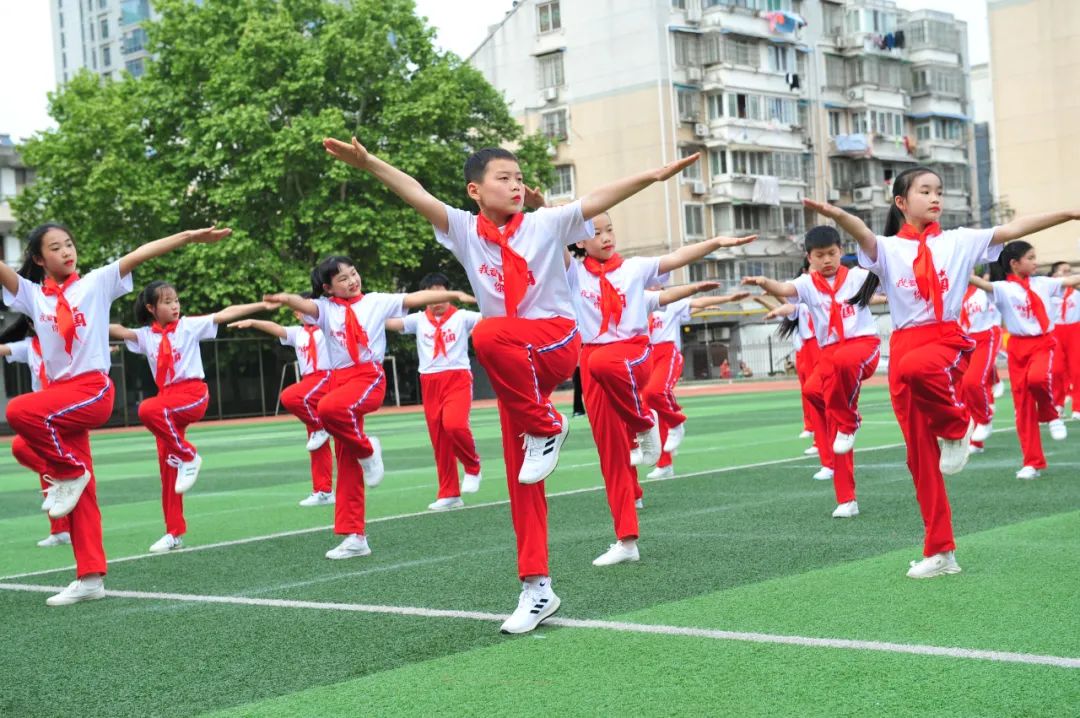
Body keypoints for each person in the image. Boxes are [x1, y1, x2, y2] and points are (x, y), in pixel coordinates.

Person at [322, 134, 699, 633]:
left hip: (555, 340)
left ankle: (549, 425)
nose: (517, 185)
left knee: (489, 328)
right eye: (505, 178)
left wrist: (652, 177)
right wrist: (370, 163)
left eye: (519, 178)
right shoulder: (463, 230)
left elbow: (600, 196)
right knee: (524, 479)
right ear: (475, 190)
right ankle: (536, 588)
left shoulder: (546, 223)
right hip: (514, 370)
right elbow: (415, 193)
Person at [804, 165, 1080, 578]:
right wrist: (837, 214)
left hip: (944, 339)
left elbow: (1014, 226)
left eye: (939, 191)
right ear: (901, 202)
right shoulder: (886, 249)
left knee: (920, 369)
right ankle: (941, 551)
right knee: (919, 460)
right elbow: (859, 230)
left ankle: (956, 426)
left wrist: (1068, 214)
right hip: (904, 346)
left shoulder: (960, 241)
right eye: (925, 191)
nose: (936, 198)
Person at [1, 222, 232, 605]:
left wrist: (190, 237)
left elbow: (144, 251)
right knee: (81, 495)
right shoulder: (32, 297)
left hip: (91, 389)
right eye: (55, 248)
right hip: (60, 400)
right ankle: (90, 577)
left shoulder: (96, 282)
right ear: (39, 259)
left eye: (69, 244)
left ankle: (68, 471)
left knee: (20, 410)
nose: (66, 251)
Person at [566, 210, 753, 566]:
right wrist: (545, 208)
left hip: (633, 353)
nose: (606, 237)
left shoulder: (634, 269)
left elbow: (676, 258)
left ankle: (643, 421)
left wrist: (714, 243)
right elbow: (549, 242)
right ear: (578, 240)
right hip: (593, 364)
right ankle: (626, 540)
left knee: (603, 363)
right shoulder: (573, 275)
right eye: (596, 232)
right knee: (611, 455)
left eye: (610, 230)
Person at [264, 256, 471, 561]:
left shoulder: (376, 301)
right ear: (328, 287)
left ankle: (368, 450)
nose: (352, 280)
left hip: (368, 376)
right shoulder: (326, 310)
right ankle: (355, 536)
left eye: (354, 273)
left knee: (328, 409)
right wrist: (285, 299)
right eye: (343, 278)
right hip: (339, 381)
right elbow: (305, 305)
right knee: (345, 461)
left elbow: (415, 298)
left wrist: (451, 295)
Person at [110, 285, 273, 552]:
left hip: (192, 394)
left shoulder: (188, 326)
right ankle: (173, 532)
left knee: (146, 409)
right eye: (167, 302)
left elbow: (224, 314)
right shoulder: (145, 336)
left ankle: (188, 454)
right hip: (167, 400)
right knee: (167, 469)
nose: (175, 306)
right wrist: (85, 322)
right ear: (151, 308)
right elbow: (117, 331)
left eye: (176, 301)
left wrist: (260, 306)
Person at [744, 226, 881, 518]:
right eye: (820, 256)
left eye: (832, 253)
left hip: (862, 346)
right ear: (809, 258)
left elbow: (883, 276)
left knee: (842, 410)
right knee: (814, 394)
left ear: (841, 252)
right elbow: (784, 291)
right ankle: (847, 499)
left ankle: (850, 421)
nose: (827, 260)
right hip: (830, 354)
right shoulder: (807, 284)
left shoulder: (857, 277)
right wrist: (763, 281)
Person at [970, 244, 1079, 478]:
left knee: (1038, 380)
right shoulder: (1002, 289)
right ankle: (1032, 462)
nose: (1036, 262)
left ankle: (1051, 415)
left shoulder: (1043, 283)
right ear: (1014, 263)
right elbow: (979, 283)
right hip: (1018, 348)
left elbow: (1070, 282)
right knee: (1023, 408)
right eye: (1030, 258)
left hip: (1042, 343)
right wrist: (958, 268)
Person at [386, 272, 483, 511]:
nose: (436, 301)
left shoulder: (462, 317)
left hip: (457, 377)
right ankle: (449, 492)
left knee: (454, 425)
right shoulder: (418, 320)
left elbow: (492, 315)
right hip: (429, 381)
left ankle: (473, 466)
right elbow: (389, 322)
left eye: (441, 294)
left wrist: (478, 298)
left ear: (448, 294)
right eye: (431, 296)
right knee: (439, 439)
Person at [229, 295, 337, 507]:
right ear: (297, 313)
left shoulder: (327, 327)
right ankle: (323, 490)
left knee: (290, 397)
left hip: (326, 378)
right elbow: (276, 328)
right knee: (316, 442)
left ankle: (325, 431)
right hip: (310, 384)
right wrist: (253, 322)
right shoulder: (298, 333)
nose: (307, 311)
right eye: (301, 309)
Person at [644, 286, 749, 479]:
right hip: (646, 356)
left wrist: (728, 298)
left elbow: (696, 302)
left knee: (654, 393)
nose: (652, 286)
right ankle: (665, 463)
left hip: (667, 354)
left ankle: (677, 422)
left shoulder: (670, 302)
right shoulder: (640, 302)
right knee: (652, 411)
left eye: (657, 283)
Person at [0, 317, 71, 547]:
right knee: (29, 453)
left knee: (42, 459)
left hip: (61, 408)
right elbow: (4, 348)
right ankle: (59, 530)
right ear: (31, 326)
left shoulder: (61, 342)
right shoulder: (29, 346)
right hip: (40, 413)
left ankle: (67, 528)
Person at [1048, 261, 1080, 418]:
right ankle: (1058, 404)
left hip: (1075, 330)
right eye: (1064, 271)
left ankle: (1077, 407)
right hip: (1056, 331)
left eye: (1070, 271)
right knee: (1056, 370)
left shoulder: (1077, 289)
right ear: (1055, 275)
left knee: (1077, 370)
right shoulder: (1050, 290)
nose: (1068, 274)